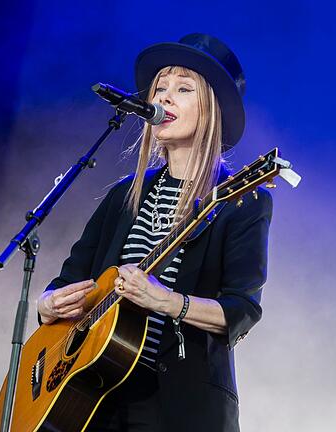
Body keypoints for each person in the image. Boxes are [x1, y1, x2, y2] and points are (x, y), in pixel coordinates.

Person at [36, 33, 272, 432]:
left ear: (212, 108)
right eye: (160, 88)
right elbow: (65, 282)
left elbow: (242, 310)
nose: (163, 98)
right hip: (95, 397)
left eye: (182, 88)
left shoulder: (241, 201)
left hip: (177, 404)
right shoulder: (123, 195)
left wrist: (166, 301)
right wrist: (47, 306)